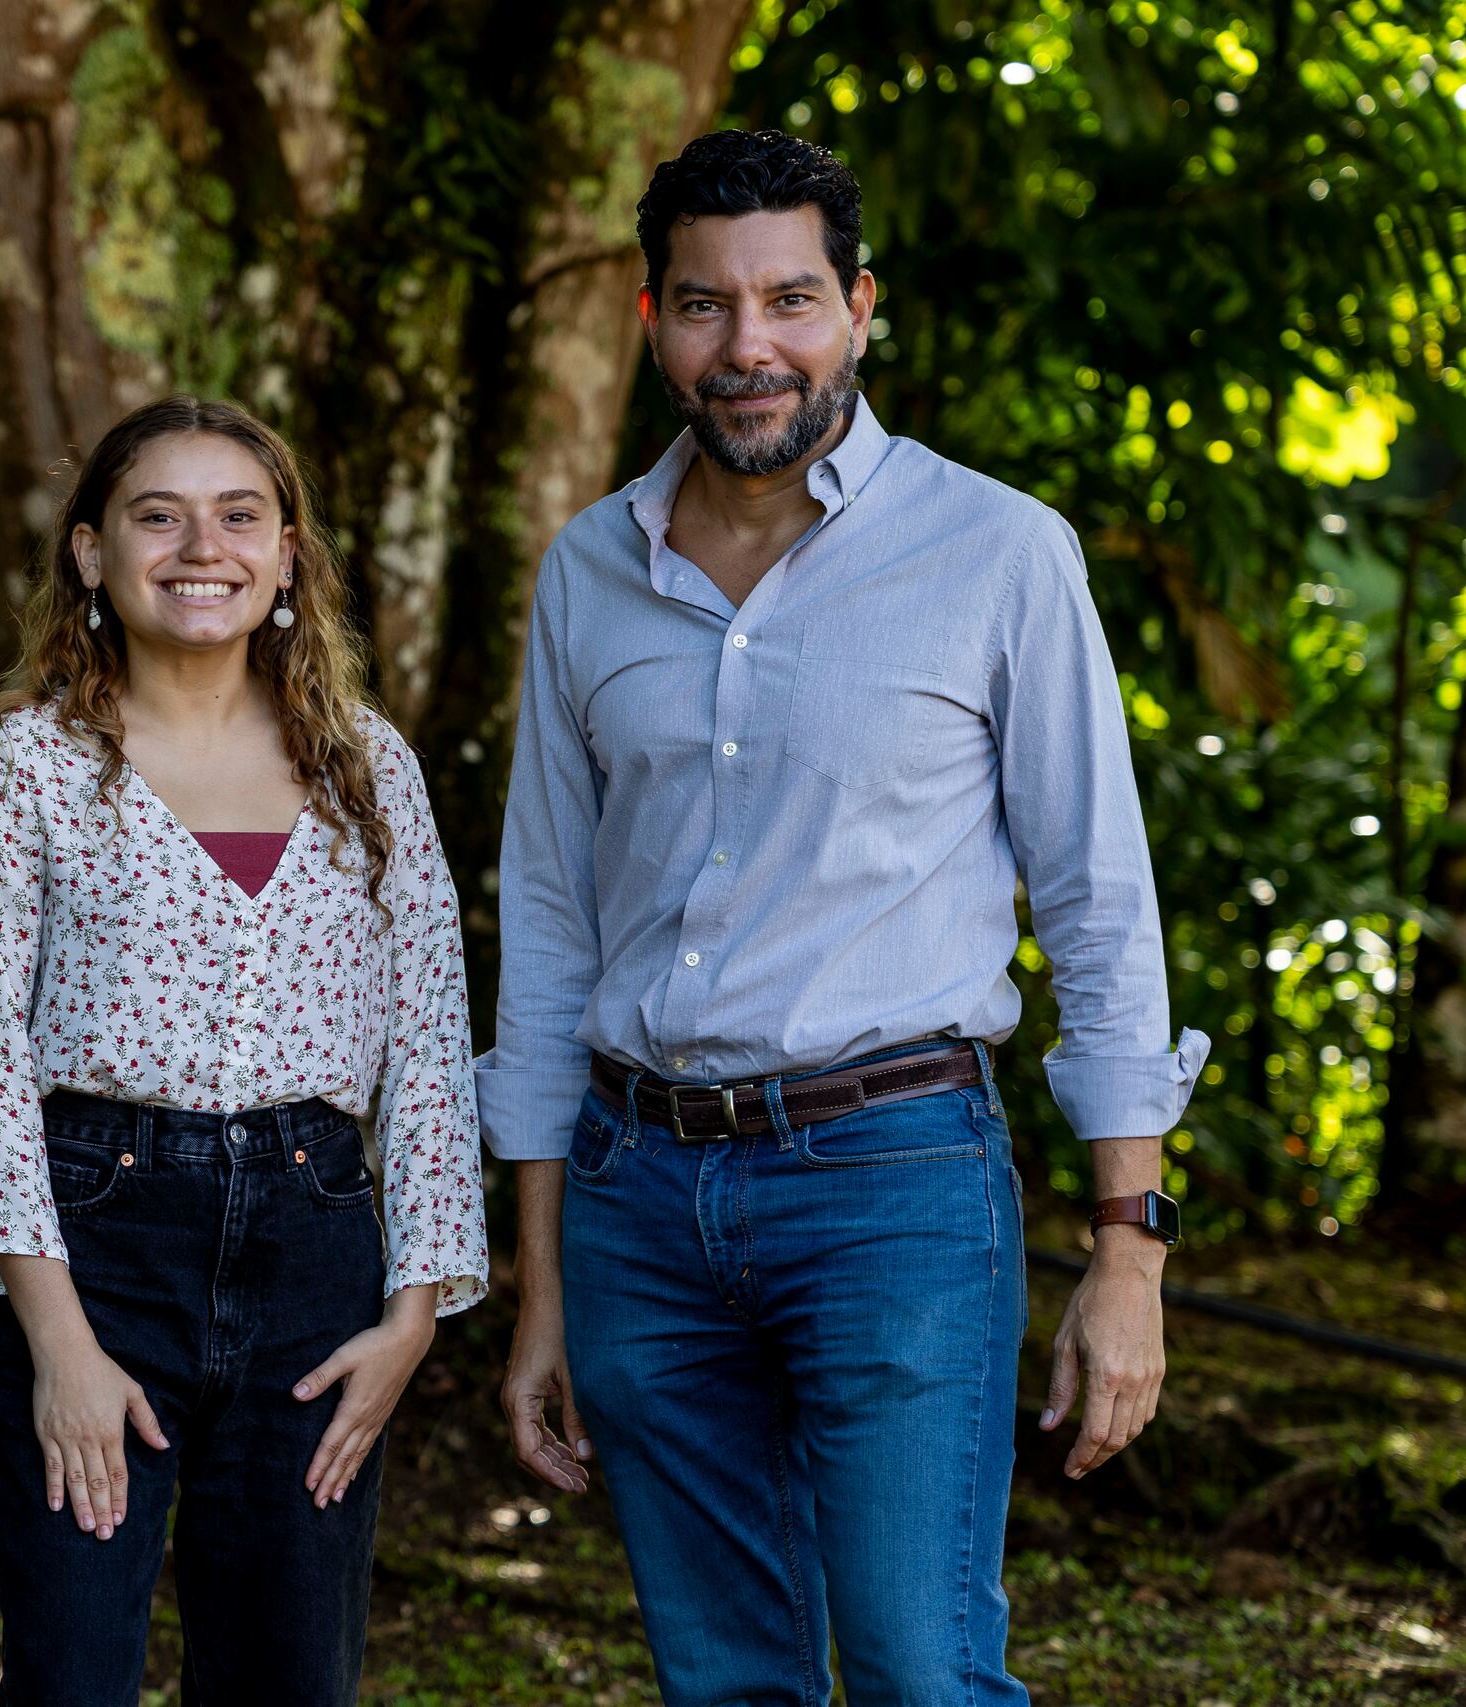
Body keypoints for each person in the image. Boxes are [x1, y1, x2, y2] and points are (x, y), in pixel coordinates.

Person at [482, 129, 1206, 1707]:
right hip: (635, 1202)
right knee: (726, 1685)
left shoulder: (1000, 553)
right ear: (650, 318)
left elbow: (1099, 907)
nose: (750, 348)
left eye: (791, 300)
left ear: (861, 307)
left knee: (919, 1670)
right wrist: (541, 1288)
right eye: (704, 305)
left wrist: (1127, 1249)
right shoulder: (584, 573)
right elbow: (543, 931)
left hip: (893, 1184)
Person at [0, 395, 487, 1705]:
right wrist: (57, 1344)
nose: (203, 546)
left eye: (240, 514)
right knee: (73, 1676)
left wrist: (413, 1315)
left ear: (288, 554)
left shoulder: (367, 766)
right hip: (92, 1243)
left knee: (291, 1680)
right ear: (91, 554)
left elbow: (429, 1044)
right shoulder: (28, 765)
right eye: (157, 514)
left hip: (317, 1253)